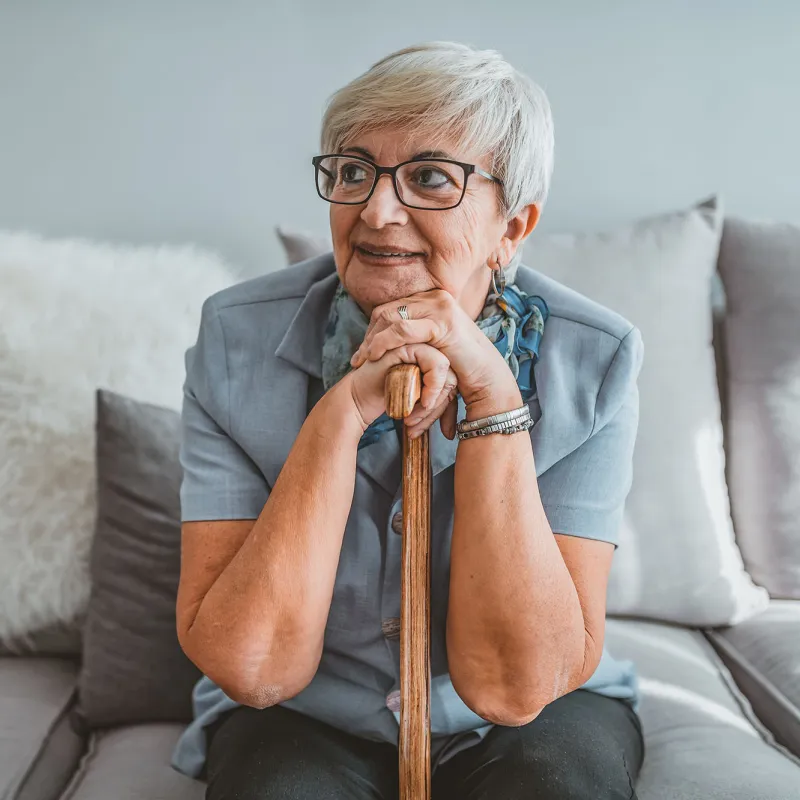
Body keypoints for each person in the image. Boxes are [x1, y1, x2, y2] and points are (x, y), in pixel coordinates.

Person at [171, 40, 645, 800]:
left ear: (512, 227)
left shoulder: (599, 357)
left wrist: (492, 399)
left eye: (429, 177)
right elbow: (253, 667)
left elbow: (517, 686)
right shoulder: (235, 337)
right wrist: (347, 407)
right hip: (307, 709)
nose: (376, 210)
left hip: (533, 718)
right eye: (353, 171)